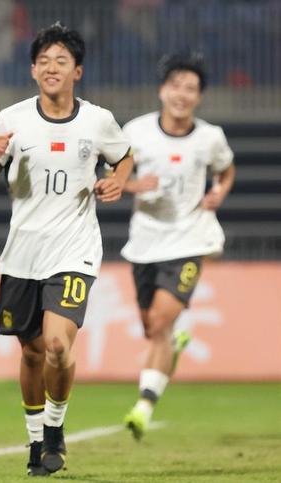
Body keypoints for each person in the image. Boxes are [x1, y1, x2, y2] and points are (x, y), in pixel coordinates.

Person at [0, 23, 133, 477]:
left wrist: (118, 181)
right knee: (31, 353)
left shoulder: (97, 121)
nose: (51, 67)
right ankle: (34, 440)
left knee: (58, 347)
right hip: (23, 253)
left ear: (77, 71)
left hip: (74, 250)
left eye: (61, 61)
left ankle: (55, 428)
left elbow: (124, 155)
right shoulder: (12, 119)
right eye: (43, 61)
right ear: (32, 69)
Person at [121, 52, 235, 440]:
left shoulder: (210, 137)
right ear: (162, 90)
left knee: (158, 324)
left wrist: (219, 191)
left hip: (189, 239)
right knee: (152, 327)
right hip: (145, 241)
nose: (182, 95)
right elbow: (113, 176)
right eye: (176, 86)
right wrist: (134, 185)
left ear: (199, 97)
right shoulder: (136, 132)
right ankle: (176, 341)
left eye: (191, 89)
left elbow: (226, 169)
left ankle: (143, 407)